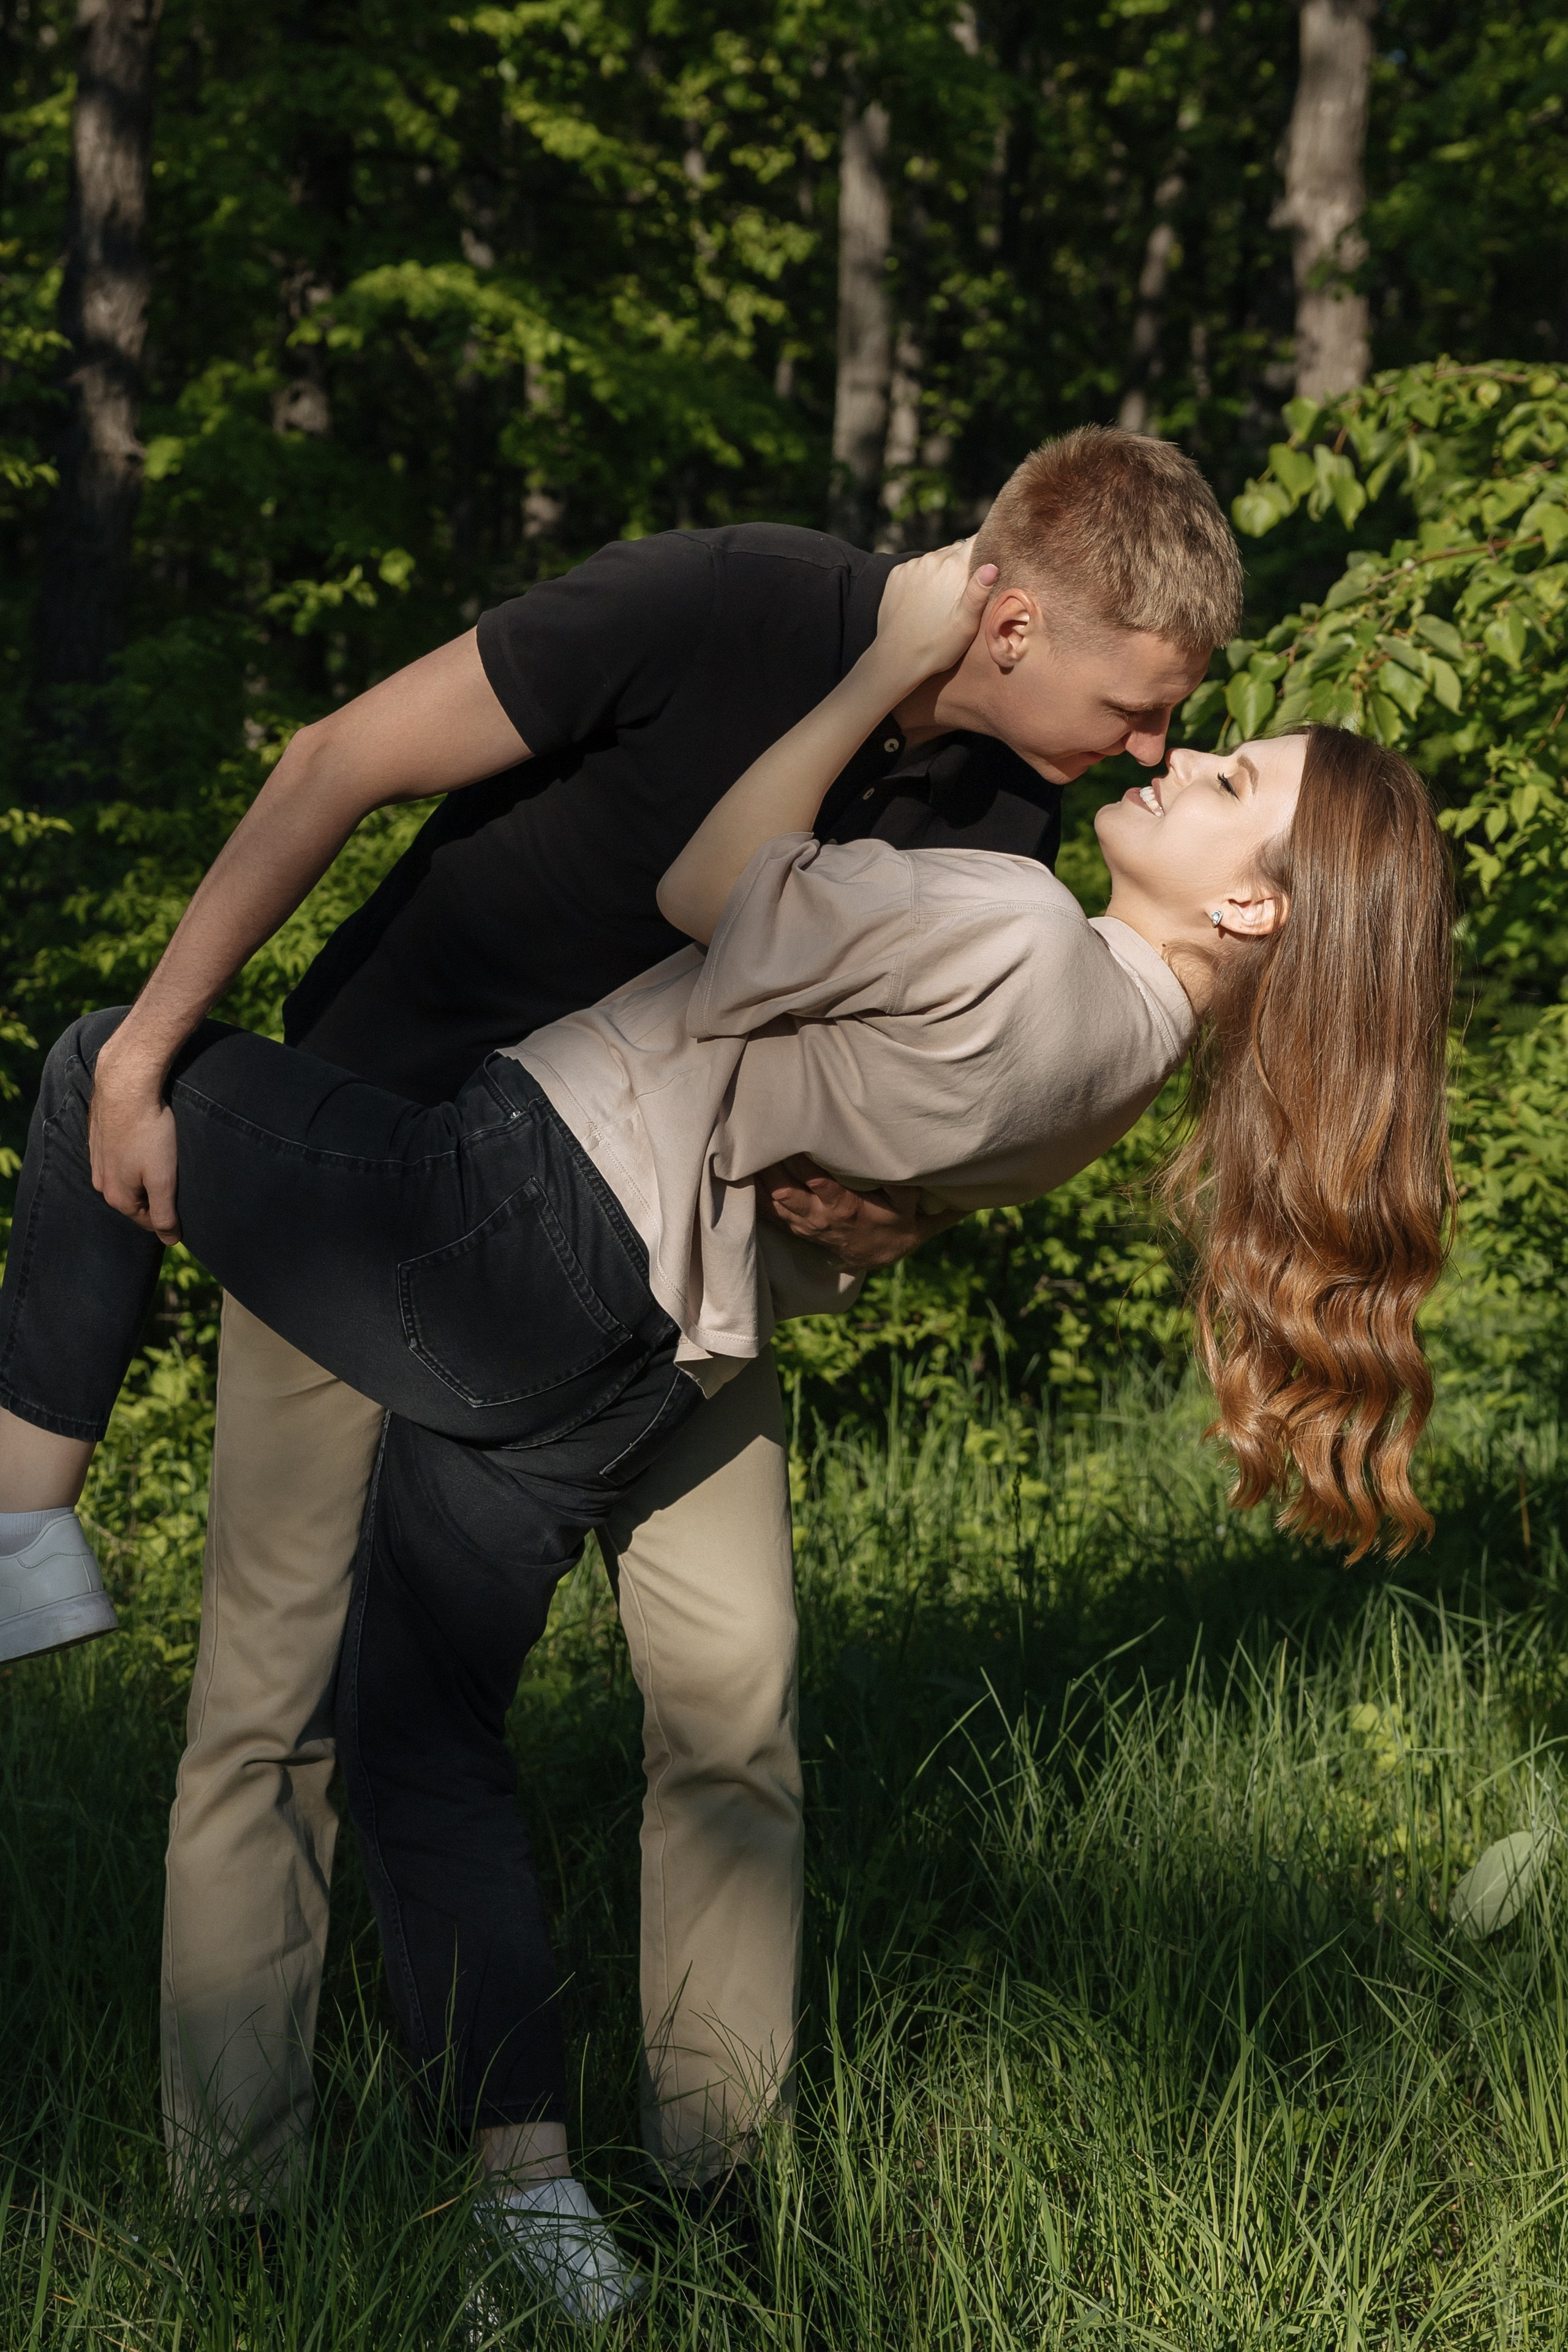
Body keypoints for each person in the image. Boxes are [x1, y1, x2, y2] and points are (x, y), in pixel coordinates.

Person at [0, 547, 1453, 2319]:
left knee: (703, 1713)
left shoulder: (1016, 852)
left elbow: (760, 927)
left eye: (1208, 759)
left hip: (588, 1262)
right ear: (1011, 622)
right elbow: (337, 763)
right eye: (1152, 707)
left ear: (1255, 913)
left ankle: (684, 2190)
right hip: (510, 1221)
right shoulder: (734, 617)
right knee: (319, 1719)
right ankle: (338, 2205)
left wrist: (883, 1197)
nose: (1162, 745)